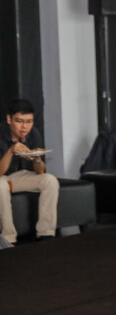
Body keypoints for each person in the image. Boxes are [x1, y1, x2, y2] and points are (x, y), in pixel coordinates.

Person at [0, 100, 59, 245]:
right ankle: (8, 238)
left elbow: (40, 171)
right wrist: (11, 150)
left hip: (20, 177)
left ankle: (45, 234)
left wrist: (36, 159)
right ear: (9, 119)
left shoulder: (33, 134)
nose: (24, 126)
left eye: (29, 121)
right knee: (0, 185)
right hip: (2, 177)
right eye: (19, 121)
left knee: (49, 180)